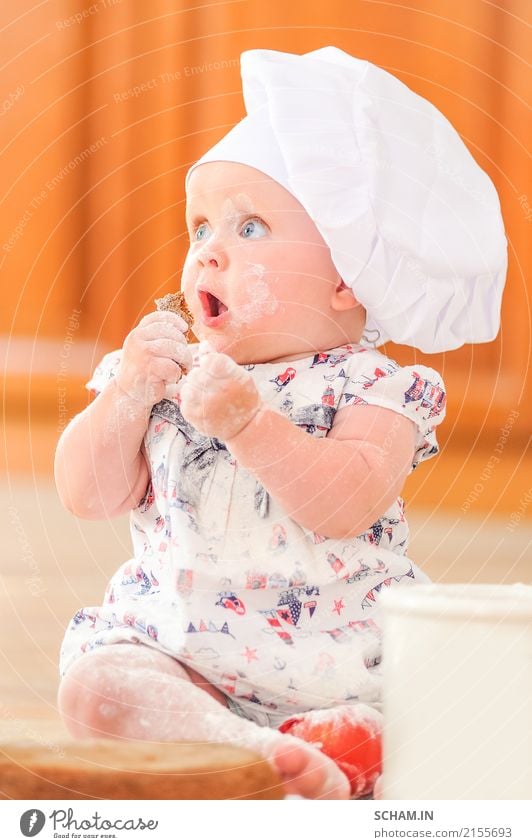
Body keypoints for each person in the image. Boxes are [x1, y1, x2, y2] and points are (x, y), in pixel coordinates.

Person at [55, 47, 507, 799]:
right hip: (179, 652)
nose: (209, 253)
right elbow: (86, 493)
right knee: (96, 687)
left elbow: (345, 502)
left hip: (335, 666)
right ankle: (247, 747)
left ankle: (308, 750)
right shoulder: (161, 374)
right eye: (199, 229)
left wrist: (249, 424)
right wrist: (127, 396)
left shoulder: (373, 388)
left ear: (344, 280)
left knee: (431, 718)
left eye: (252, 227)